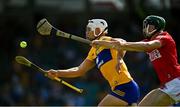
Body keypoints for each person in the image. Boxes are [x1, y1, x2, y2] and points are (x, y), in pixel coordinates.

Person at [46, 19, 140, 106]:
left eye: (89, 29)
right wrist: (58, 73)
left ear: (98, 30)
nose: (87, 32)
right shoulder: (93, 51)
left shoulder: (105, 40)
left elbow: (122, 43)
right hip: (119, 88)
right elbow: (79, 70)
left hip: (126, 87)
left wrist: (102, 44)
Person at [92, 15, 180, 106]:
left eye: (150, 27)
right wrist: (102, 43)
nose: (147, 29)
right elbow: (128, 46)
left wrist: (121, 45)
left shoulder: (164, 37)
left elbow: (147, 46)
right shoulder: (146, 41)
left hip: (176, 82)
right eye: (146, 27)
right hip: (167, 85)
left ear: (158, 28)